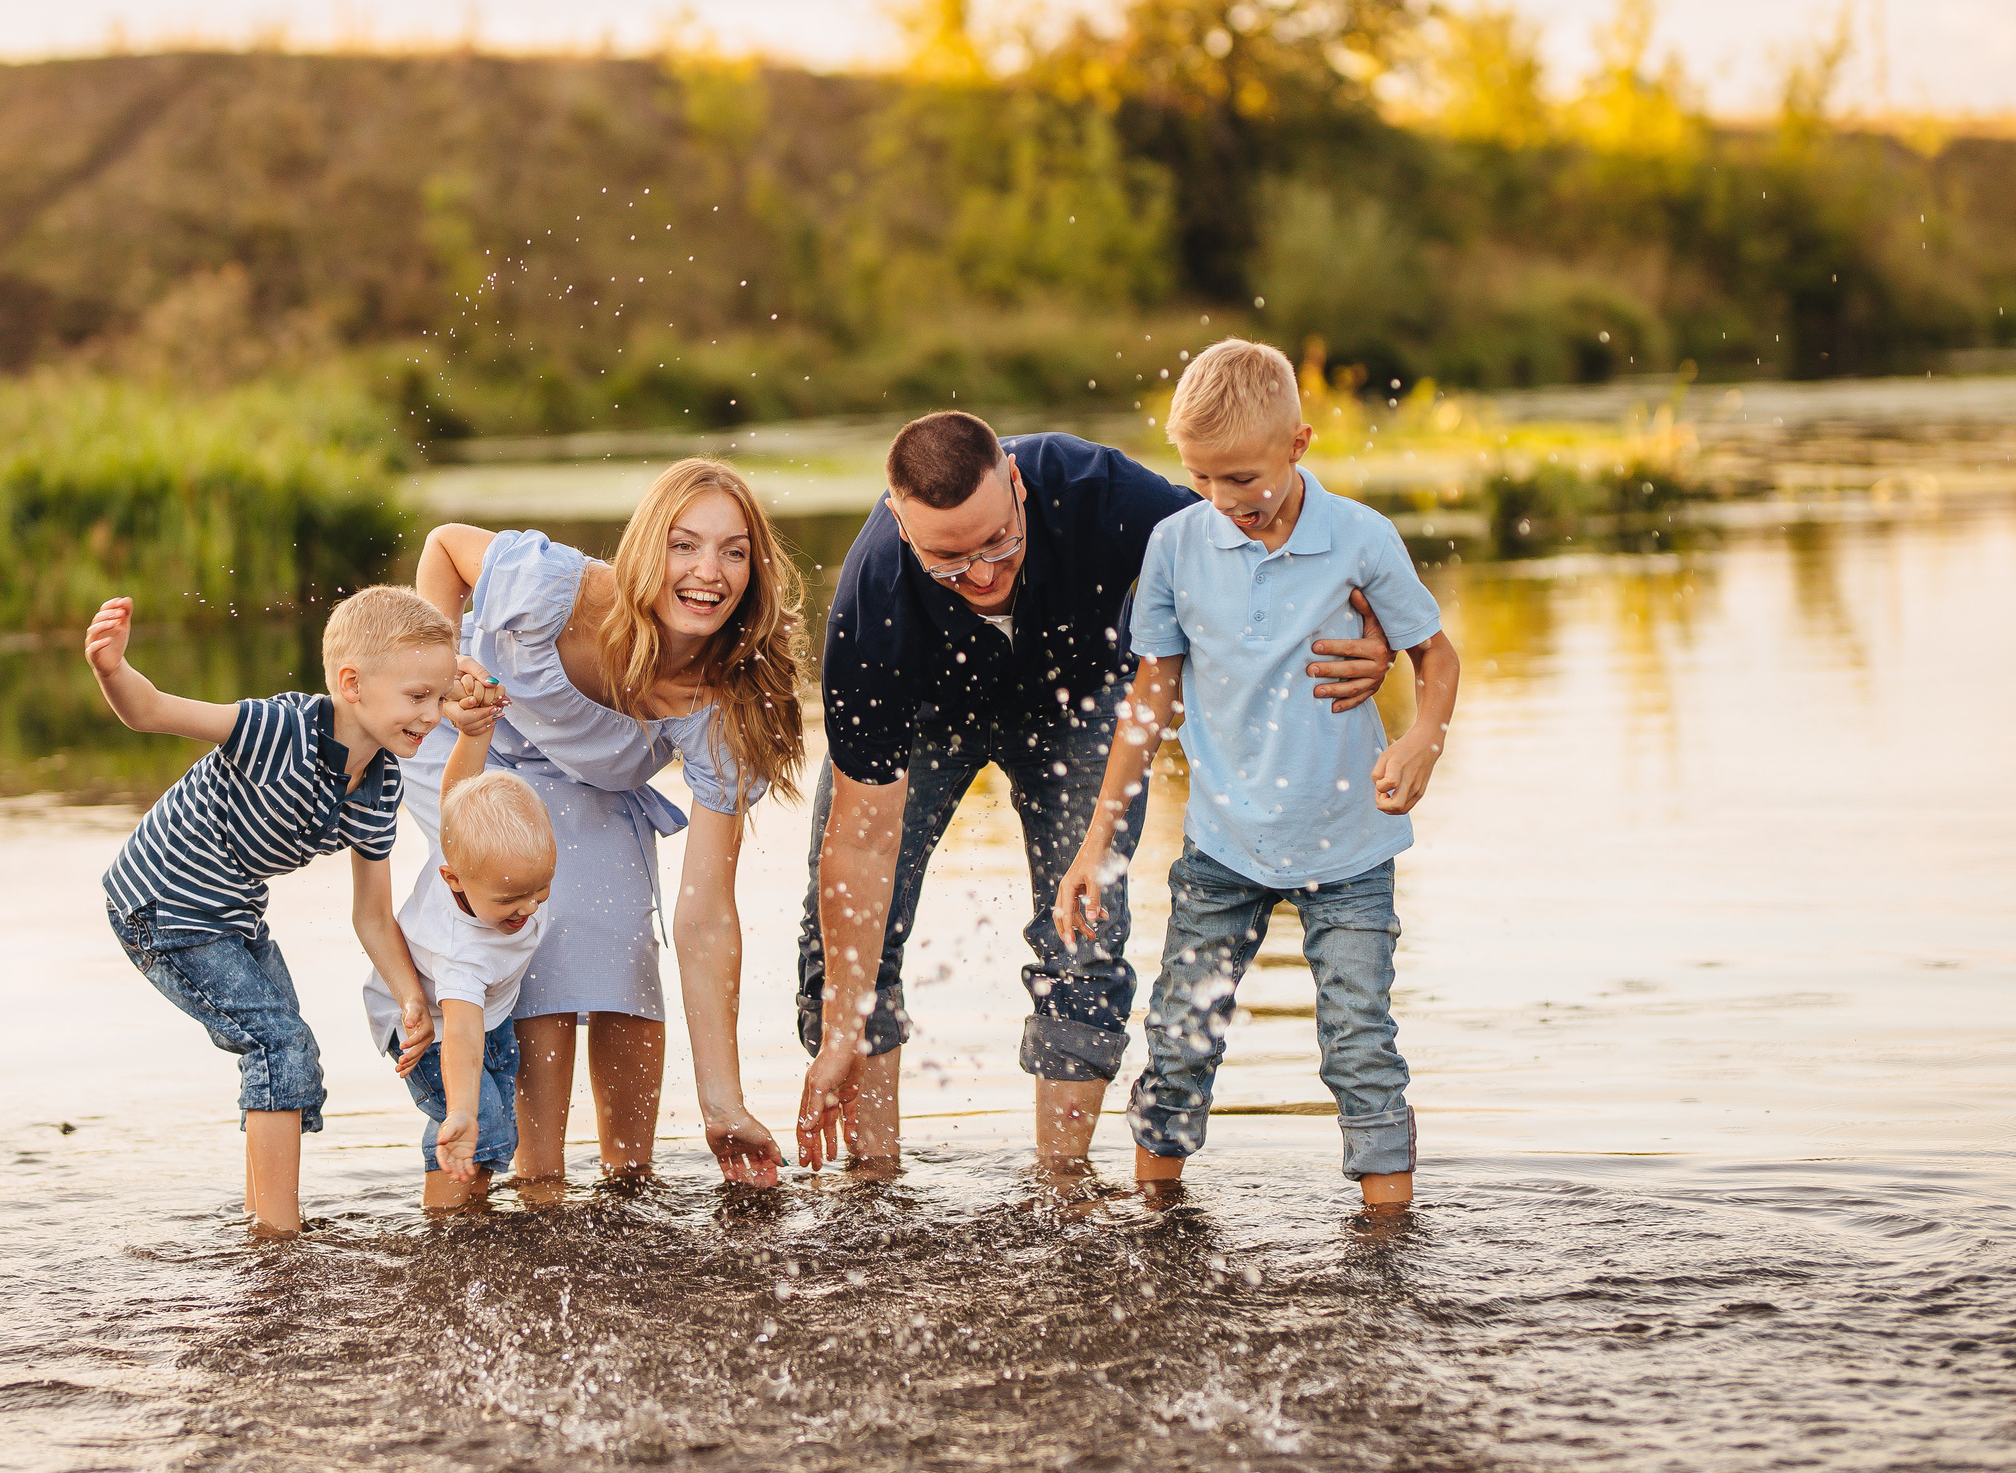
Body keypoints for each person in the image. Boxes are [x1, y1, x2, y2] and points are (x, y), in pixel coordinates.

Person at [794, 411, 1397, 1174]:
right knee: (843, 942)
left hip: (1076, 705)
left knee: (1083, 936)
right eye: (950, 560)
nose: (981, 575)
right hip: (927, 720)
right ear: (903, 528)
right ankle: (872, 1182)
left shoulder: (1095, 489)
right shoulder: (869, 604)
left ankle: (1062, 1189)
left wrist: (1371, 626)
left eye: (999, 544)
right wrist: (843, 1021)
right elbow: (860, 843)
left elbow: (1251, 541)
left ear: (1016, 486)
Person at [1055, 338, 1461, 1207]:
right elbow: (1147, 701)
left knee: (1359, 1044)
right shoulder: (1174, 546)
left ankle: (1390, 1246)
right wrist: (1096, 842)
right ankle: (1155, 1225)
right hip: (1223, 848)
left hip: (1350, 848)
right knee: (1178, 1041)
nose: (1222, 500)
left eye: (1241, 478)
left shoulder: (1360, 537)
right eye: (1201, 478)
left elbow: (1435, 654)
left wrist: (1424, 734)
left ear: (1298, 444)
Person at [414, 459, 805, 1188]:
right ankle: (534, 1183)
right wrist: (447, 674)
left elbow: (706, 914)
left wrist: (725, 1100)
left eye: (733, 550)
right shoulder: (560, 590)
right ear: (645, 545)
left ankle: (630, 1188)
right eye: (683, 544)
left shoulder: (723, 703)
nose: (708, 572)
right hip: (471, 749)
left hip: (592, 784)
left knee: (626, 947)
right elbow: (443, 546)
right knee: (535, 932)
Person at [86, 584, 446, 1238]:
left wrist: (410, 996)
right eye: (419, 696)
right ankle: (278, 1241)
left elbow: (371, 913)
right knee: (279, 1043)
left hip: (233, 913)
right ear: (352, 683)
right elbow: (150, 710)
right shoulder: (280, 727)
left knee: (283, 1045)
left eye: (442, 696)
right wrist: (113, 668)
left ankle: (260, 1218)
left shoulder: (381, 786)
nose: (434, 713)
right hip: (163, 900)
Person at [364, 757, 556, 1209]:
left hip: (490, 1013)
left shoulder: (481, 865)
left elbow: (457, 789)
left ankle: (475, 1209)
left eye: (540, 889)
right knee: (477, 1120)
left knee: (499, 1116)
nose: (528, 908)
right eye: (510, 899)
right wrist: (463, 1110)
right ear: (452, 879)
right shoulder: (459, 952)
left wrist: (473, 733)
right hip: (428, 1029)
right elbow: (462, 1035)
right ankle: (444, 1225)